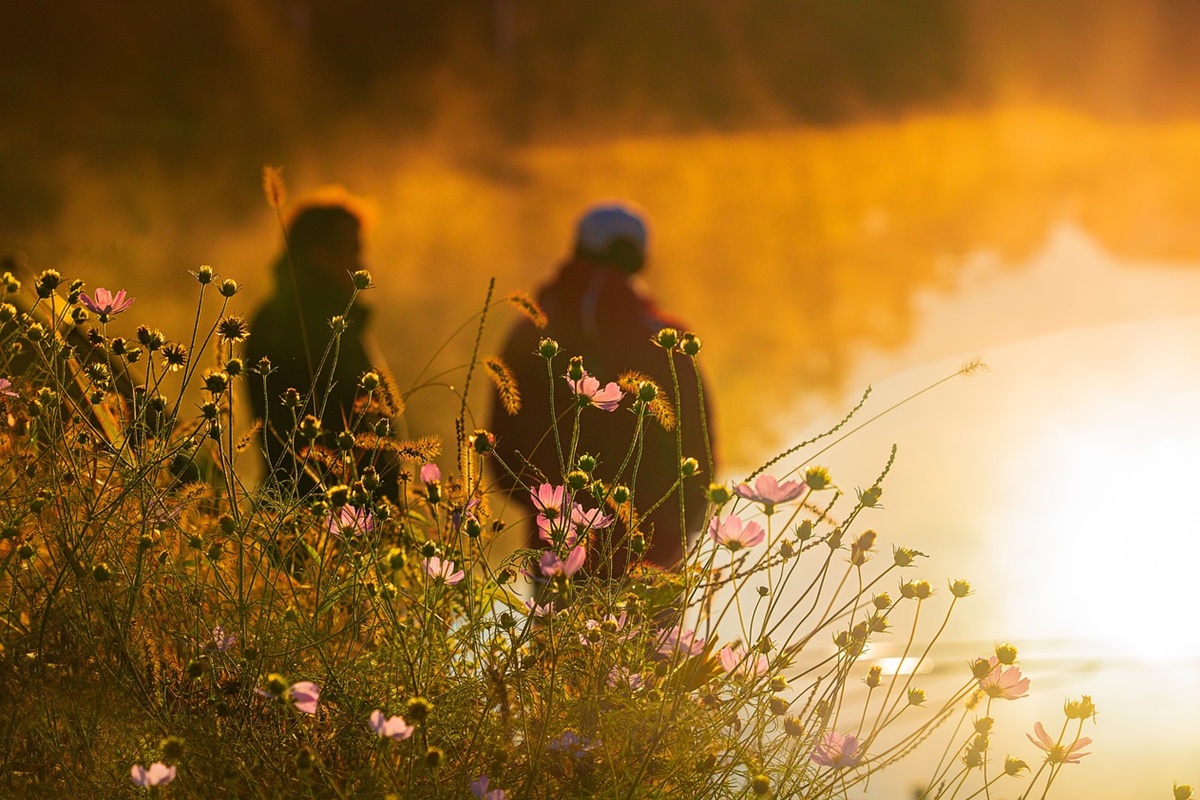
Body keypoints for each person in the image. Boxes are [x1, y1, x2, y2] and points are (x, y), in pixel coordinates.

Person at [489, 202, 716, 572]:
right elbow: (698, 449)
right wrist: (681, 532)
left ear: (577, 249)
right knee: (650, 633)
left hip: (557, 546)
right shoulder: (666, 340)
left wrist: (551, 509)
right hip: (652, 554)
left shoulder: (528, 333)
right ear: (640, 260)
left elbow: (502, 449)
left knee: (555, 630)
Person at [247, 195, 398, 500]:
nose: (361, 264)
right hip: (329, 510)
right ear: (320, 256)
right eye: (353, 250)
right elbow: (345, 422)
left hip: (308, 505)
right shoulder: (309, 324)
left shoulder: (294, 316)